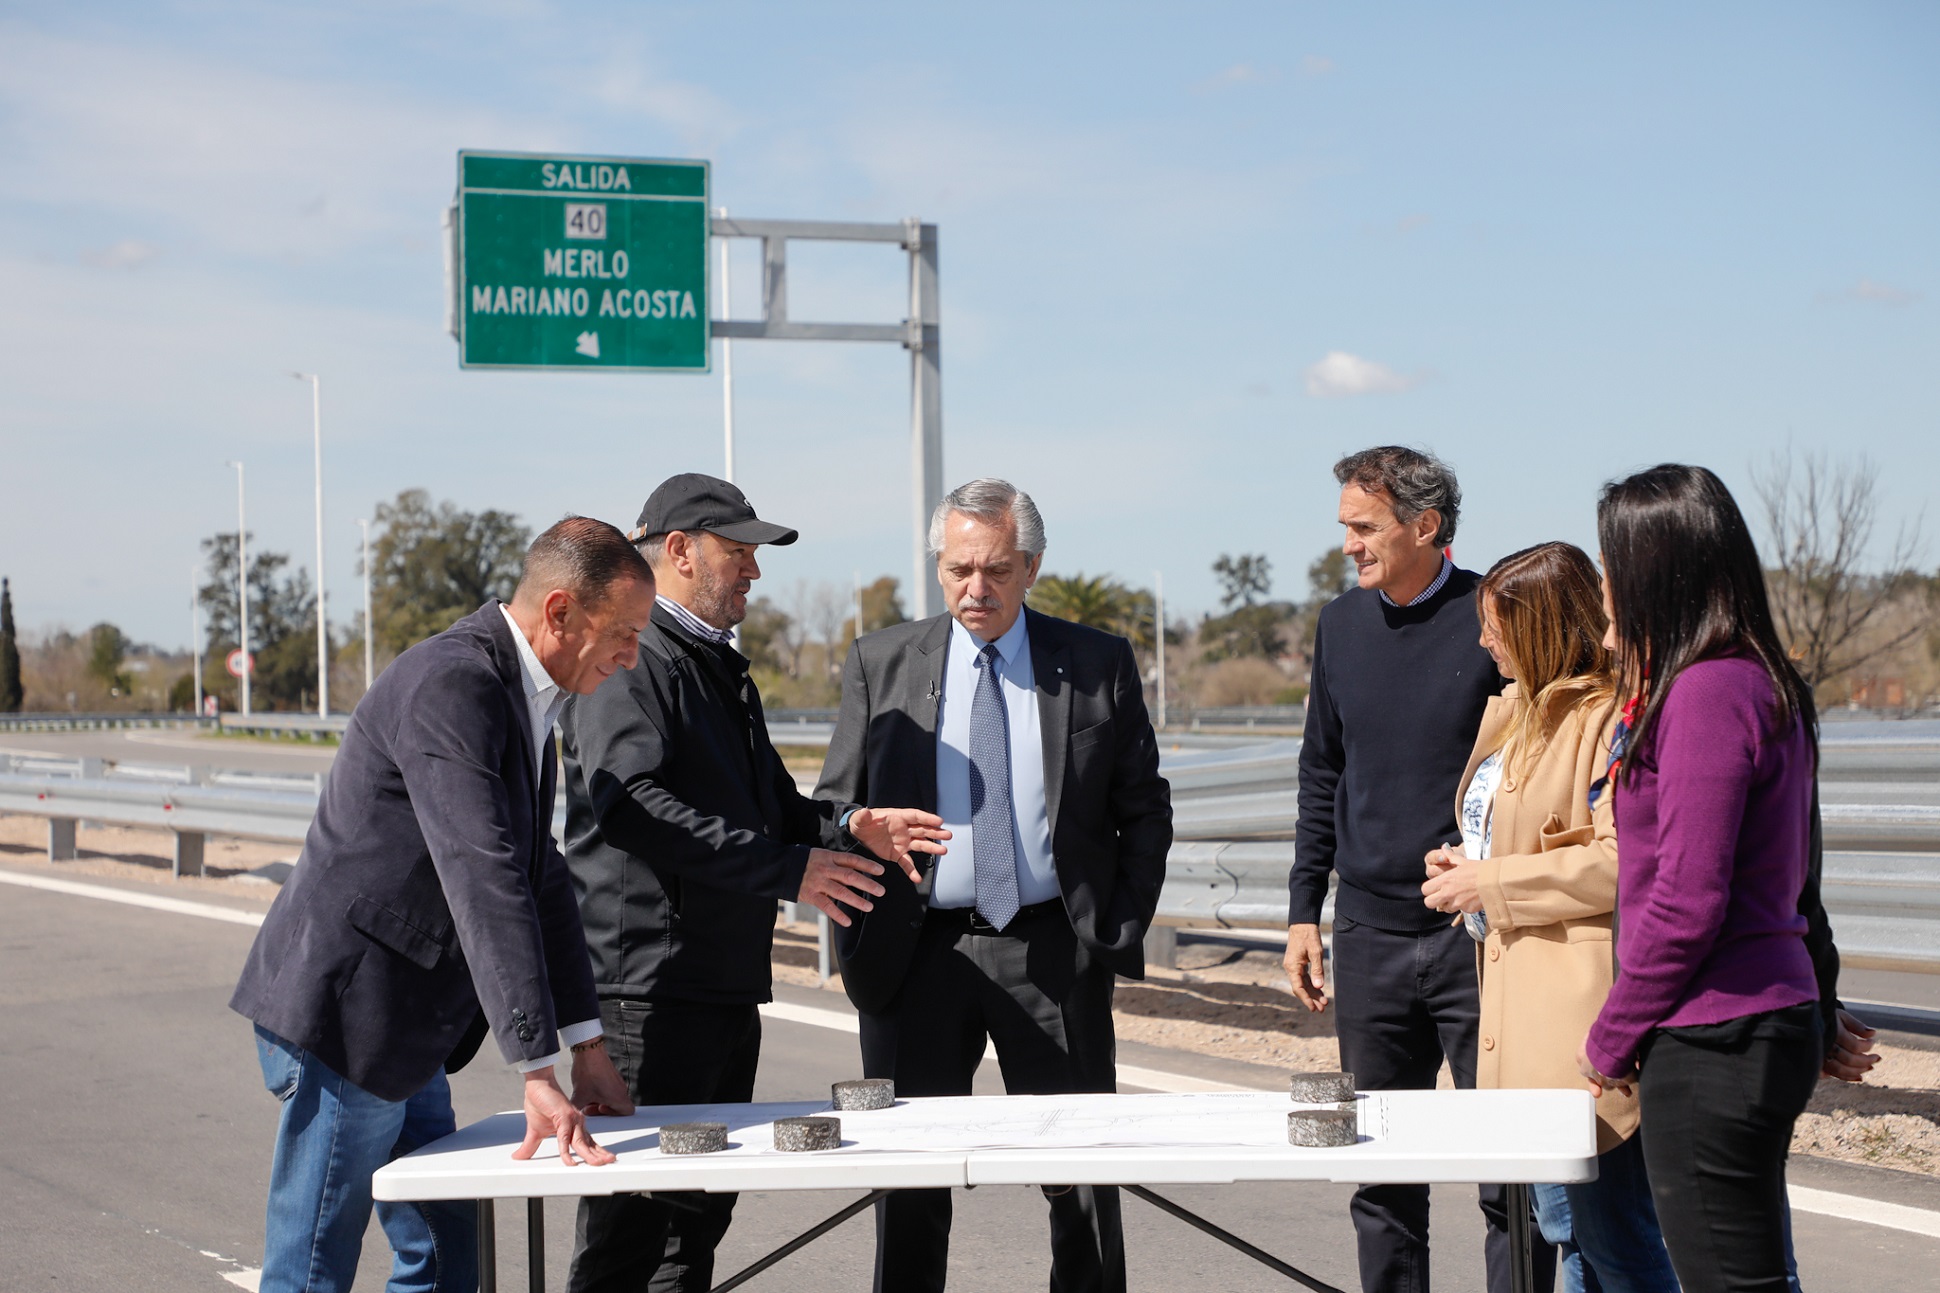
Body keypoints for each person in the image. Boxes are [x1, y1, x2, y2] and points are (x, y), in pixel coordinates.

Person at [230, 517, 655, 1293]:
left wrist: (587, 1043)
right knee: (313, 1269)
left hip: (410, 1019)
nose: (632, 655)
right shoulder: (454, 682)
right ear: (559, 611)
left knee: (451, 1251)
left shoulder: (533, 697)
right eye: (623, 633)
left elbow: (540, 873)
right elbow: (483, 873)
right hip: (348, 1016)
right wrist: (536, 1065)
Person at [558, 473, 949, 1293]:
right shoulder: (635, 659)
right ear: (678, 551)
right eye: (737, 552)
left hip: (721, 990)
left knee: (693, 1226)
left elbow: (774, 804)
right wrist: (789, 872)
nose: (754, 572)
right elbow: (634, 809)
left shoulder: (714, 666)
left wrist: (849, 829)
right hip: (649, 998)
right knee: (631, 1234)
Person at [817, 477, 1172, 1293]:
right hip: (917, 953)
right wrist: (859, 827)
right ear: (939, 565)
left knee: (1080, 1177)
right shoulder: (880, 660)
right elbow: (836, 804)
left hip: (1053, 949)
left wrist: (1113, 924)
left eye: (997, 569)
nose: (975, 589)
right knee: (910, 1183)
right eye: (958, 569)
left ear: (1033, 565)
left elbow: (1144, 808)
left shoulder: (1095, 661)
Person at [1282, 446, 1535, 1293]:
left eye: (1364, 526)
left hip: (1478, 938)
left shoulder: (1493, 617)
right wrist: (1301, 914)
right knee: (1383, 1174)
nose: (1348, 544)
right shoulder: (1338, 624)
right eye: (1345, 526)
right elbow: (1323, 772)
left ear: (1424, 526)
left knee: (1507, 1179)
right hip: (1367, 934)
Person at [1578, 464, 1824, 1293]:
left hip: (1716, 1031)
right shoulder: (1757, 679)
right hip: (1758, 1020)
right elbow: (1794, 877)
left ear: (1657, 572)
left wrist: (1611, 1034)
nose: (1602, 586)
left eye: (1612, 565)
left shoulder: (1706, 692)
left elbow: (1689, 899)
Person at [1420, 541, 1677, 1293]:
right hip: (1524, 1018)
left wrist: (1490, 881)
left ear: (1538, 627)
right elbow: (1521, 844)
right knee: (1571, 1237)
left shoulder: (1602, 720)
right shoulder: (1518, 715)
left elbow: (1624, 859)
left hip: (1581, 1025)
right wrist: (1467, 862)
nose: (1482, 640)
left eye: (1496, 624)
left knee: (1613, 1242)